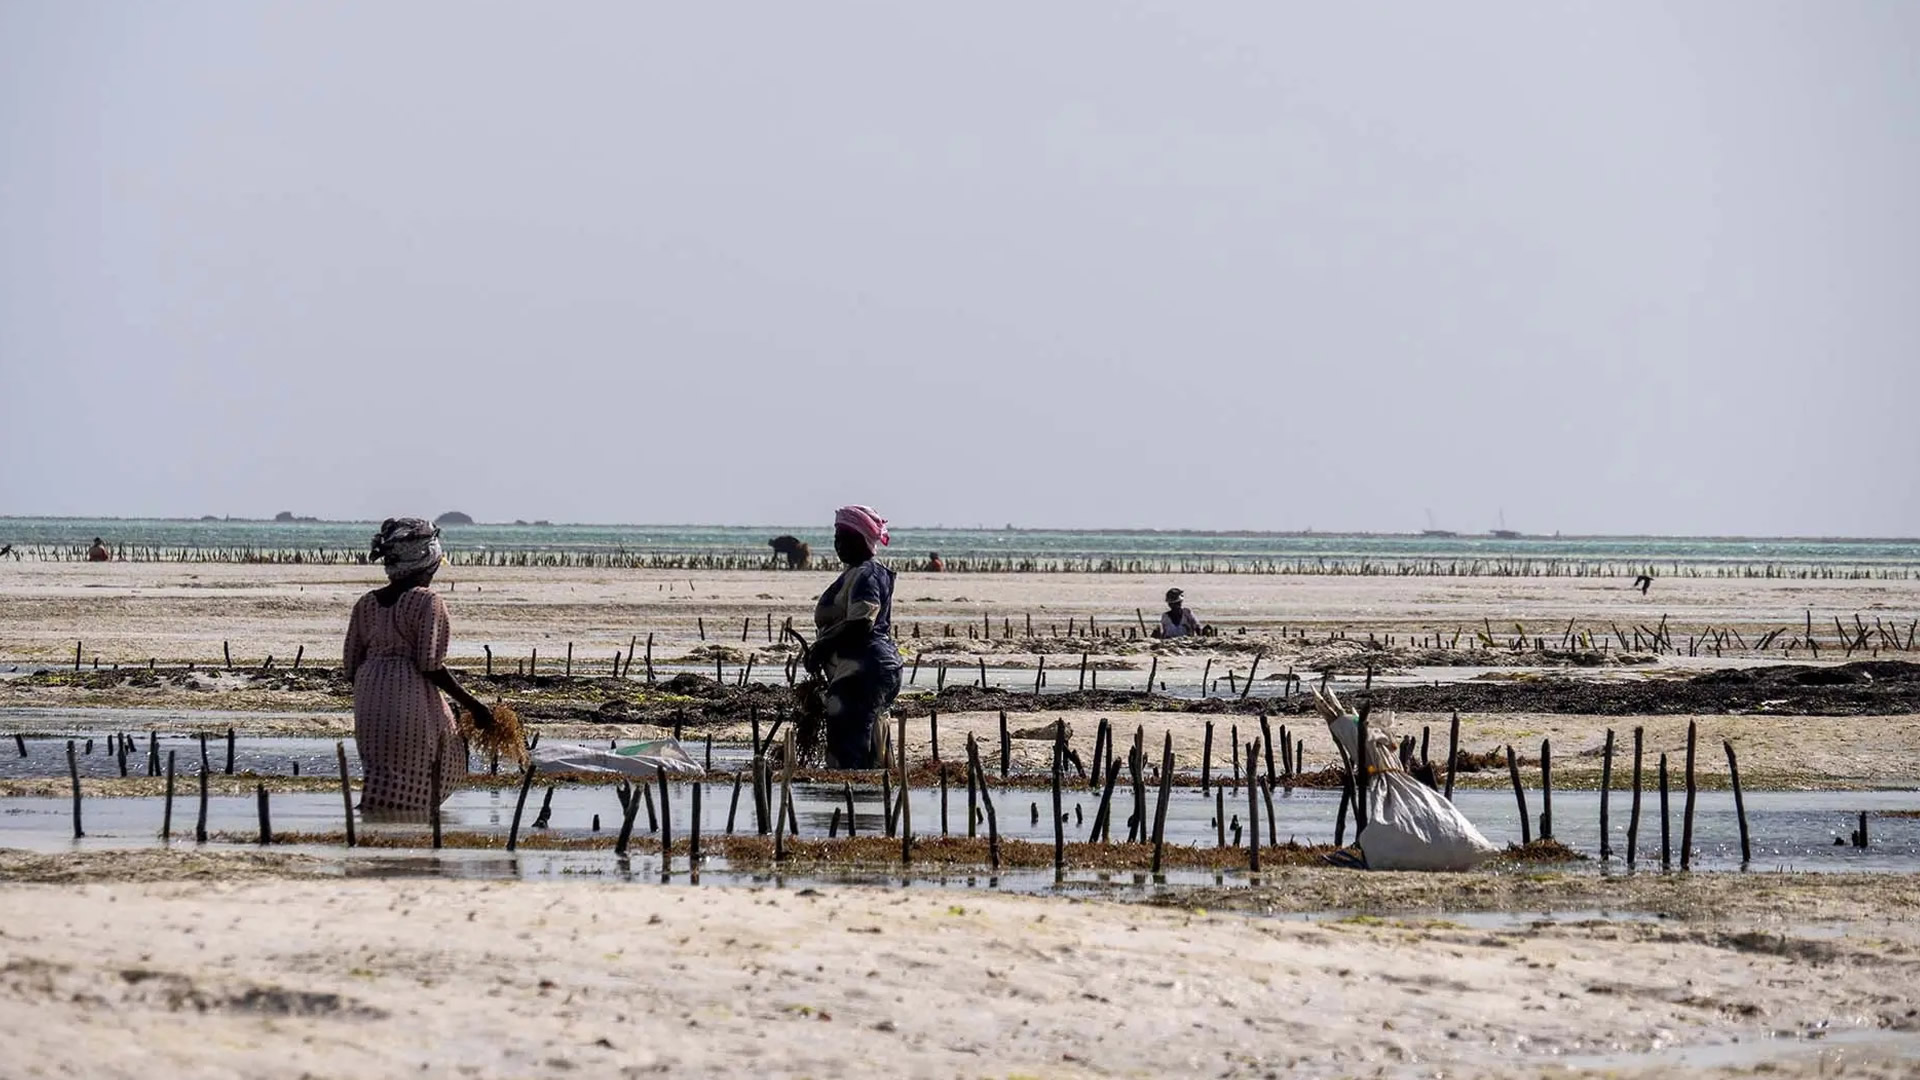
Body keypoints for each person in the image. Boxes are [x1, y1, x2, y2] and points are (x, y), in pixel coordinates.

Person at [343, 518, 491, 819]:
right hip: (407, 692)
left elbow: (350, 665)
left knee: (382, 773)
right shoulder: (428, 601)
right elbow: (430, 664)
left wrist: (375, 678)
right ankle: (408, 829)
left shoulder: (366, 603)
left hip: (368, 694)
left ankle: (378, 825)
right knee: (428, 758)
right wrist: (474, 706)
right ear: (426, 563)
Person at [806, 505, 903, 767]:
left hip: (864, 669)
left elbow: (862, 621)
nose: (839, 544)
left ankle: (849, 798)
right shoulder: (858, 573)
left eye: (846, 538)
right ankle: (869, 801)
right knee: (869, 741)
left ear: (863, 539)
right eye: (836, 537)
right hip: (868, 668)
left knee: (848, 746)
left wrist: (822, 647)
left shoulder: (867, 574)